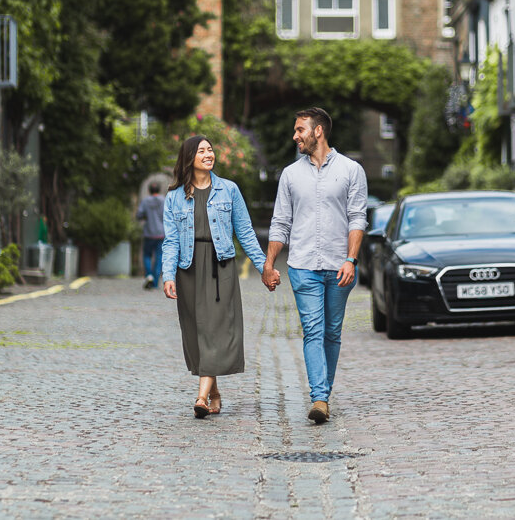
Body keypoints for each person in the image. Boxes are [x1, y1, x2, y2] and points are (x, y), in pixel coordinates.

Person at [263, 107, 368, 424]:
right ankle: (319, 398)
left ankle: (324, 392)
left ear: (318, 131)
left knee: (332, 333)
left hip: (340, 267)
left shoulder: (351, 170)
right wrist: (268, 264)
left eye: (300, 130)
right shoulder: (291, 175)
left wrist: (351, 259)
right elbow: (280, 222)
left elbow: (357, 219)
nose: (295, 136)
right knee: (313, 331)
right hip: (303, 265)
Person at [162, 135, 268, 419]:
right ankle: (214, 391)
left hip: (220, 267)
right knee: (198, 333)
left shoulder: (229, 190)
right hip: (189, 268)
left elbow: (245, 232)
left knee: (216, 330)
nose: (209, 154)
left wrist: (263, 267)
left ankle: (200, 397)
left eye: (211, 149)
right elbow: (171, 241)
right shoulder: (173, 197)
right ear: (189, 158)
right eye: (202, 151)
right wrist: (167, 275)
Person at [136, 181, 166, 289]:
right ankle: (155, 282)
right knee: (159, 257)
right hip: (161, 233)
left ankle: (149, 275)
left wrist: (145, 217)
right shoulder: (163, 200)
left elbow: (139, 214)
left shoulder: (145, 201)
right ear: (159, 190)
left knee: (147, 256)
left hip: (149, 233)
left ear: (149, 190)